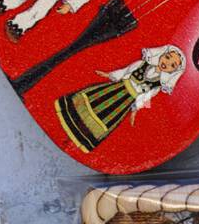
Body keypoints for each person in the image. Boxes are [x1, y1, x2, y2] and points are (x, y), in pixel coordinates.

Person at [54, 45, 186, 153]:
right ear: (162, 55)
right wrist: (109, 75)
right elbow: (125, 71)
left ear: (173, 71)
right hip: (118, 89)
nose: (167, 63)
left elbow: (146, 97)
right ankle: (68, 117)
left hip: (126, 102)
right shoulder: (141, 64)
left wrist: (135, 109)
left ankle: (80, 138)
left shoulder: (157, 85)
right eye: (167, 57)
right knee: (94, 101)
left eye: (172, 65)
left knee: (106, 118)